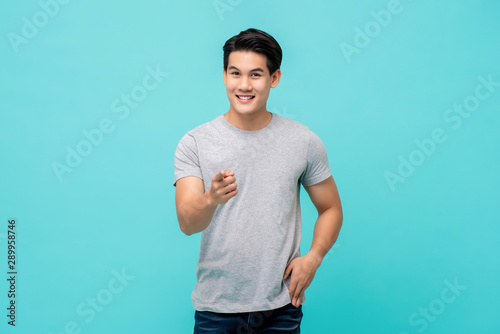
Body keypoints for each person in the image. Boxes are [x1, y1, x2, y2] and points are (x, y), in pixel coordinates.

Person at [173, 28, 343, 333]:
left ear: (274, 78)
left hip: (281, 309)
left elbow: (331, 208)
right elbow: (187, 224)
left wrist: (313, 259)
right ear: (224, 75)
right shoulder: (195, 142)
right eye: (235, 73)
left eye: (256, 75)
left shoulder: (303, 141)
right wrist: (210, 198)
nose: (244, 85)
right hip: (216, 310)